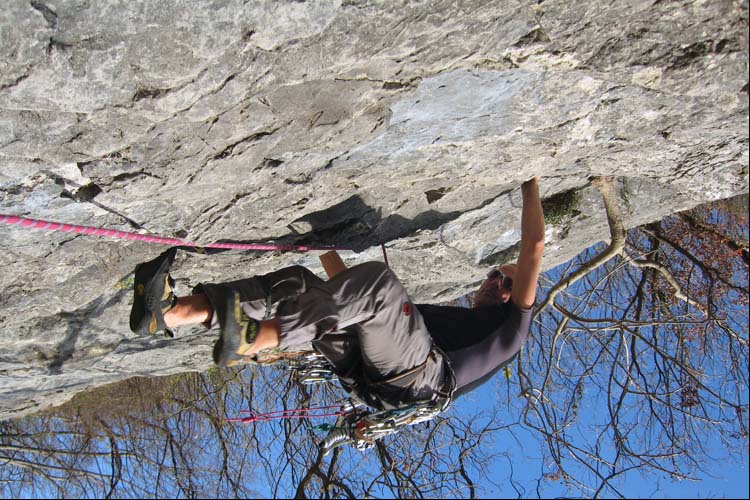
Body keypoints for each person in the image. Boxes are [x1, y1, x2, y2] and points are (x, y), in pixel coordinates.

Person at [129, 177, 545, 410]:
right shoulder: (439, 329)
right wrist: (322, 240)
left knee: (382, 285)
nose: (496, 282)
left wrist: (530, 179)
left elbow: (534, 248)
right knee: (297, 281)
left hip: (421, 382)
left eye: (505, 282)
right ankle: (171, 312)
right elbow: (344, 300)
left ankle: (255, 337)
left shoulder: (513, 328)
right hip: (376, 379)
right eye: (495, 274)